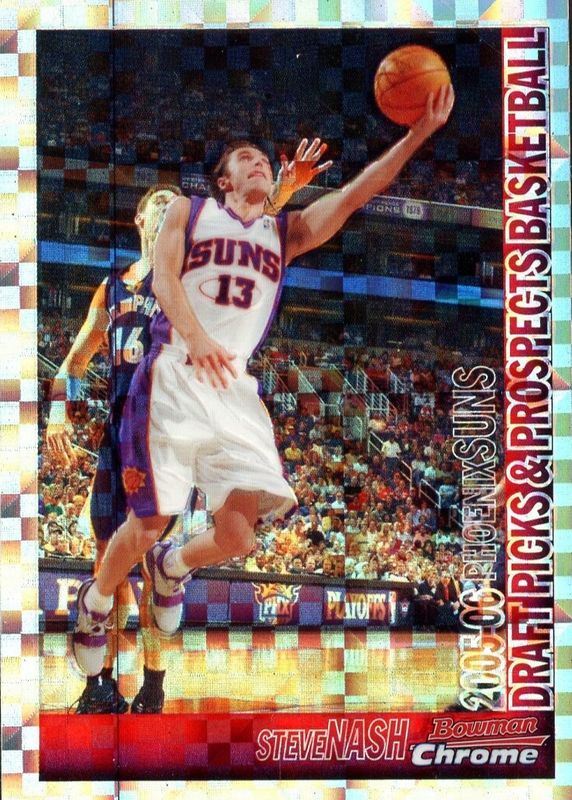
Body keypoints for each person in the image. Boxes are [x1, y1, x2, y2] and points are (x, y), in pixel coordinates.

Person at [72, 87, 454, 677]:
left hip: (232, 388)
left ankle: (174, 567)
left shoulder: (285, 232)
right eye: (245, 159)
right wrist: (197, 336)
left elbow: (356, 193)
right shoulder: (188, 211)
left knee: (238, 537)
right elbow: (165, 280)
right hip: (174, 372)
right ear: (223, 180)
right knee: (147, 521)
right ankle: (95, 602)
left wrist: (417, 135)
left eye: (263, 160)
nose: (259, 162)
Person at [47, 184, 182, 713]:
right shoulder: (110, 288)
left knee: (150, 566)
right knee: (107, 563)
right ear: (140, 217)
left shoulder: (185, 279)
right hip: (115, 440)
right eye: (160, 202)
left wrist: (277, 196)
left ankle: (153, 682)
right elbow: (73, 364)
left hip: (162, 441)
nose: (168, 208)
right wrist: (58, 412)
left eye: (177, 205)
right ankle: (99, 685)